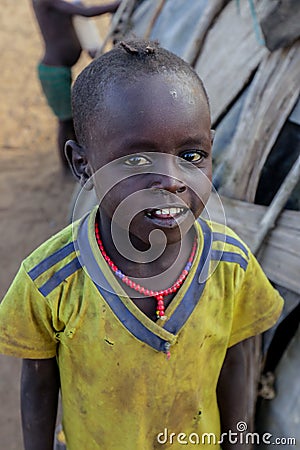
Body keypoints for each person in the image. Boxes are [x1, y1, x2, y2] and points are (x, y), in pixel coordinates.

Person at [0, 39, 283, 450]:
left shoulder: (230, 264)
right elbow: (39, 383)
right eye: (134, 161)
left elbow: (238, 360)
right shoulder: (51, 281)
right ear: (83, 164)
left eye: (191, 155)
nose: (170, 180)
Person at [31, 0, 120, 171]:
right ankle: (66, 168)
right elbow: (84, 13)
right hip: (53, 73)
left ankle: (72, 163)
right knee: (65, 122)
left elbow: (79, 20)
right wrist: (117, 5)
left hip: (59, 71)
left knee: (69, 120)